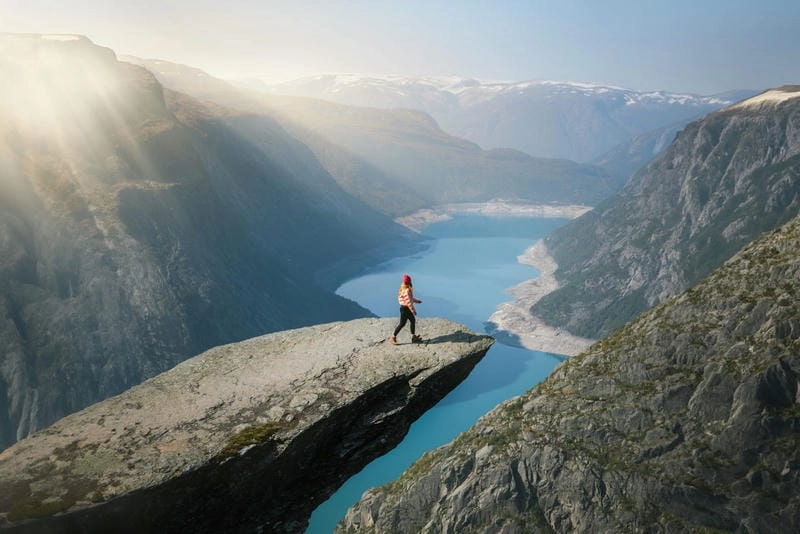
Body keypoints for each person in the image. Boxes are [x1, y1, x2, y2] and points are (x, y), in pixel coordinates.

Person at [390, 274, 422, 344]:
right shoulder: (407, 290)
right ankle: (393, 337)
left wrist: (417, 301)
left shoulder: (402, 288)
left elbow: (409, 299)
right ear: (409, 282)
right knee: (404, 323)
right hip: (405, 309)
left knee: (407, 322)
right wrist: (413, 311)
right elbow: (408, 302)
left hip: (403, 308)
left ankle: (413, 337)